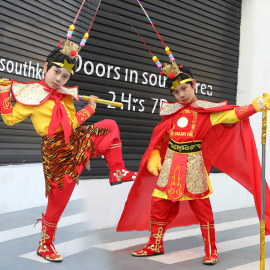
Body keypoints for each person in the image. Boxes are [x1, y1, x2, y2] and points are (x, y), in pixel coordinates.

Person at [0, 30, 136, 264]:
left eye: (65, 76)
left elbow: (72, 124)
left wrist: (91, 108)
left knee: (109, 125)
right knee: (58, 201)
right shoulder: (32, 95)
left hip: (75, 141)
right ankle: (45, 245)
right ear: (45, 67)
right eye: (56, 72)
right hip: (56, 152)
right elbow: (9, 118)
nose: (59, 79)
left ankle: (117, 170)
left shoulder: (66, 96)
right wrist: (3, 92)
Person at [117, 64, 270, 265]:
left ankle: (211, 249)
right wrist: (155, 156)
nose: (180, 94)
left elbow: (234, 114)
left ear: (194, 85)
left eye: (184, 88)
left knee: (202, 209)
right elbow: (160, 139)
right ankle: (155, 244)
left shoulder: (207, 111)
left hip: (194, 166)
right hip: (170, 165)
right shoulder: (171, 112)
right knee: (158, 205)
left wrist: (256, 105)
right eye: (175, 91)